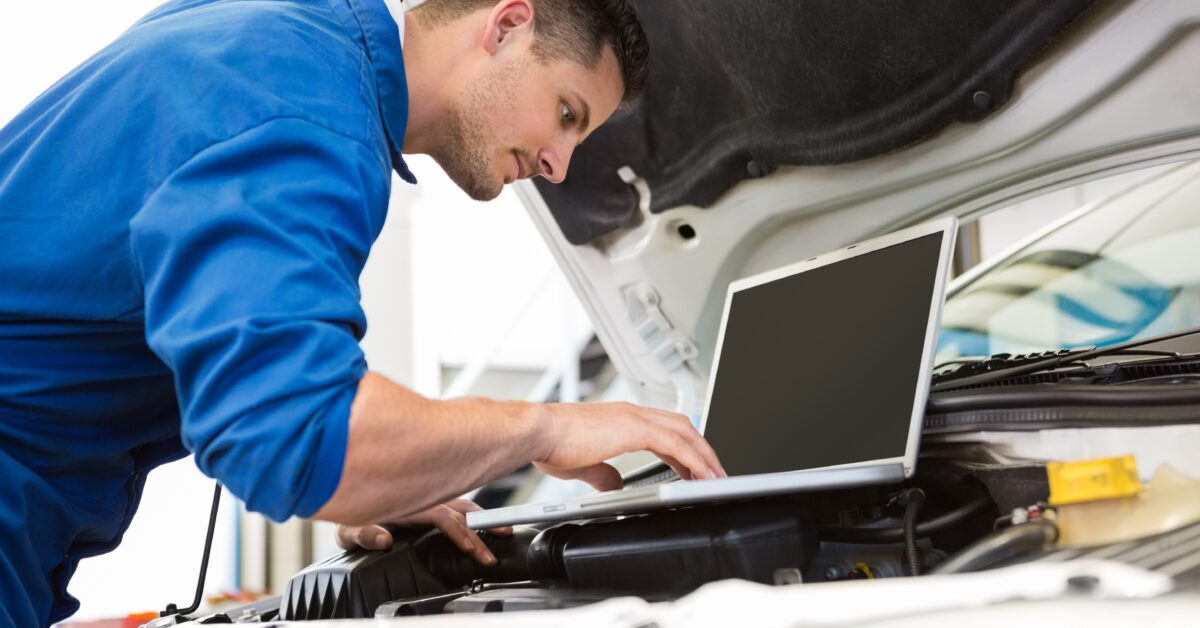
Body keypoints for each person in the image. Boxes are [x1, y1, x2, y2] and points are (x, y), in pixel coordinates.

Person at [0, 0, 725, 624]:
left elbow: (184, 358)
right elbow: (295, 432)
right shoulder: (306, 111)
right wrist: (547, 425)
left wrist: (391, 474)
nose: (559, 165)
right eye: (566, 113)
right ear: (505, 25)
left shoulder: (281, 34)